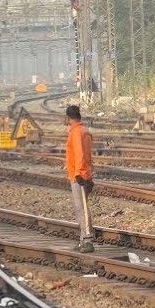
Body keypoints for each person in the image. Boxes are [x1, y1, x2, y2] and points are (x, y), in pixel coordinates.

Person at [64, 105, 95, 252]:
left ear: (68, 118)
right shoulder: (84, 131)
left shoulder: (76, 132)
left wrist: (79, 174)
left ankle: (87, 240)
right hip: (85, 173)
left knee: (81, 207)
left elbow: (80, 154)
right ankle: (83, 240)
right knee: (82, 207)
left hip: (79, 175)